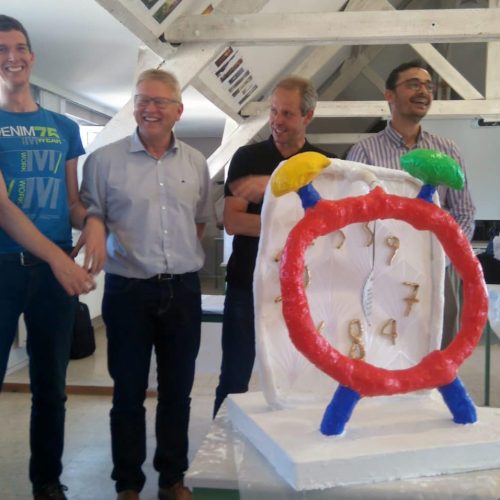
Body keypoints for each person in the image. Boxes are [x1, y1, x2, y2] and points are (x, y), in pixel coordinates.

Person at [81, 69, 212, 500]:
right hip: (128, 293)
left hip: (183, 292)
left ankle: (172, 478)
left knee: (177, 393)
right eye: (142, 100)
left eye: (159, 102)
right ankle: (128, 484)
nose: (150, 109)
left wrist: (174, 261)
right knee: (127, 394)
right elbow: (90, 215)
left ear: (178, 110)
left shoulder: (196, 163)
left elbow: (198, 223)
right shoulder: (103, 161)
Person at [0, 14, 104, 500]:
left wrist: (95, 221)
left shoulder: (63, 126)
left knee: (51, 388)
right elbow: (4, 208)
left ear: (32, 55)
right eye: (1, 50)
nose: (12, 57)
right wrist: (60, 261)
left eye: (19, 47)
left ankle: (47, 483)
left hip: (52, 278)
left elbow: (73, 202)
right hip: (4, 269)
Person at [213, 75, 335, 417]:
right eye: (274, 111)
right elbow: (234, 222)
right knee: (234, 376)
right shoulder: (246, 157)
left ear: (308, 116)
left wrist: (271, 188)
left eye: (287, 114)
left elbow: (328, 230)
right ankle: (221, 446)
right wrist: (299, 224)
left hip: (302, 288)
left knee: (300, 377)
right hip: (247, 284)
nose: (277, 121)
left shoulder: (325, 164)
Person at [346, 60, 476, 347]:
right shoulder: (364, 152)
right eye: (413, 84)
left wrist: (443, 256)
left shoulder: (447, 150)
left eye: (428, 86)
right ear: (389, 95)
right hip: (381, 272)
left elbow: (465, 212)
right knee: (382, 346)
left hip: (437, 270)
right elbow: (354, 217)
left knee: (440, 348)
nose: (424, 92)